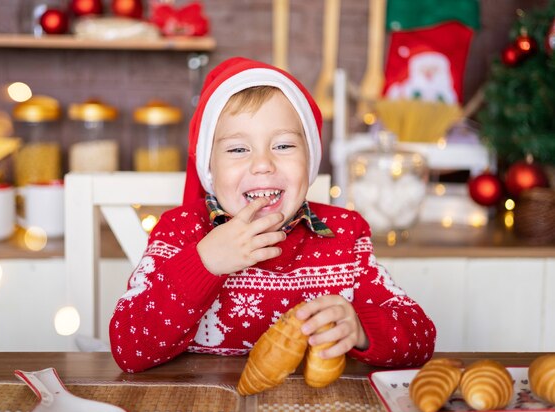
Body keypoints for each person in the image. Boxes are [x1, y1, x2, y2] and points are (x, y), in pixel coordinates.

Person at [110, 57, 436, 373]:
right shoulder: (180, 232)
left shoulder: (344, 235)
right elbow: (128, 348)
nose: (263, 164)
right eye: (238, 149)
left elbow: (420, 336)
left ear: (309, 162)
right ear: (209, 169)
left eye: (283, 146)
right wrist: (204, 263)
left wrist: (361, 328)